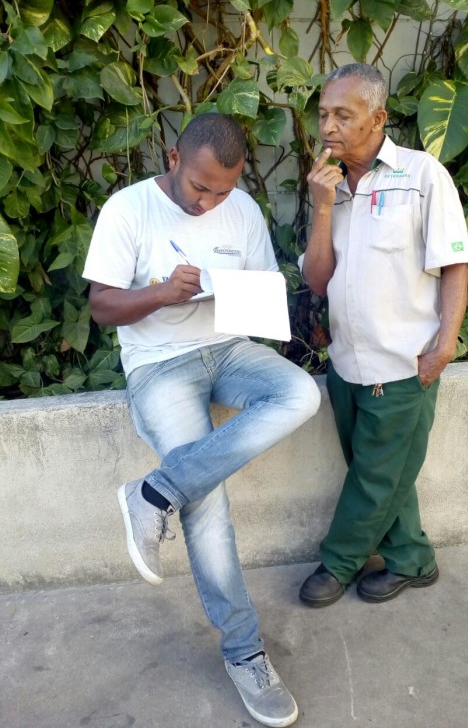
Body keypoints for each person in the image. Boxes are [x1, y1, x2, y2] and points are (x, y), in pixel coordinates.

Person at [83, 112, 321, 727]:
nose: (211, 201)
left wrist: (238, 293)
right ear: (172, 157)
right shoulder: (128, 210)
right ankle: (246, 653)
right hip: (160, 365)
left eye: (224, 189)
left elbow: (269, 290)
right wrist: (161, 293)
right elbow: (102, 305)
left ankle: (153, 491)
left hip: (232, 349)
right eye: (200, 188)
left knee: (301, 395)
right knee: (206, 500)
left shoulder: (240, 208)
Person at [298, 63, 468, 608]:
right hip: (347, 364)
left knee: (374, 478)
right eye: (324, 114)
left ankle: (338, 562)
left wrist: (446, 343)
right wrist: (322, 208)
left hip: (404, 363)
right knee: (380, 471)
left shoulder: (423, 176)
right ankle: (413, 560)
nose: (328, 126)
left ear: (378, 118)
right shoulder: (328, 186)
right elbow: (318, 279)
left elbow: (452, 264)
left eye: (342, 115)